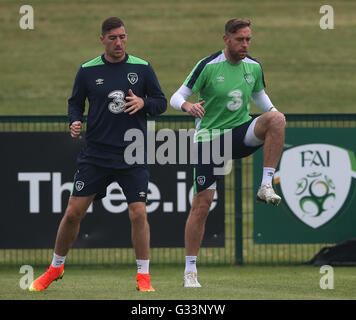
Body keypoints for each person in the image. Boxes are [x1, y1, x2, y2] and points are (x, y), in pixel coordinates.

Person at [29, 17, 167, 292]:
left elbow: (161, 103)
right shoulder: (87, 70)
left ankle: (143, 277)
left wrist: (144, 102)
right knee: (72, 213)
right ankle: (56, 267)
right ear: (102, 39)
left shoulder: (142, 68)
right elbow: (75, 104)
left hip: (132, 154)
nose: (119, 42)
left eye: (123, 37)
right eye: (113, 37)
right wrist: (74, 120)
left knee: (139, 212)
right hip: (96, 155)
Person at [170, 18, 286, 287]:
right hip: (209, 140)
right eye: (239, 39)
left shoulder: (253, 67)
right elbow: (176, 96)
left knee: (277, 119)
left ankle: (265, 185)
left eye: (248, 39)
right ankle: (190, 271)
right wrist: (187, 107)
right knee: (202, 205)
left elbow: (259, 97)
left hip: (238, 134)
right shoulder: (208, 66)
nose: (245, 44)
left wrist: (275, 116)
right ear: (226, 39)